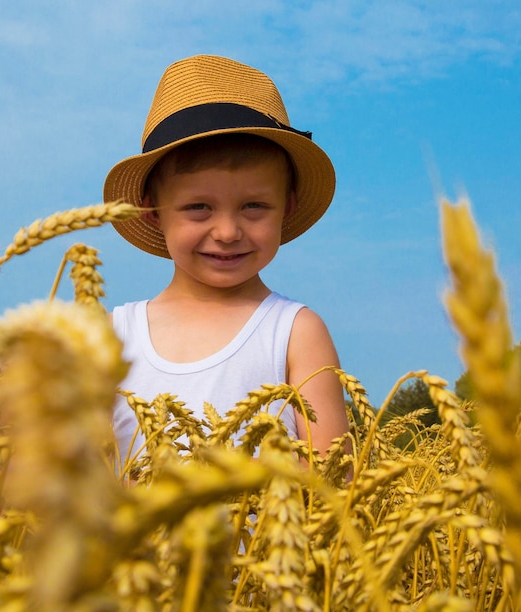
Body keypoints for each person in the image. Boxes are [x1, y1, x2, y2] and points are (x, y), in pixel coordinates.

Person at [103, 54, 349, 465]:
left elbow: (332, 482)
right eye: (199, 207)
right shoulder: (112, 338)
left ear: (286, 208)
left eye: (254, 206)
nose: (227, 231)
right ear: (153, 212)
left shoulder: (295, 334)